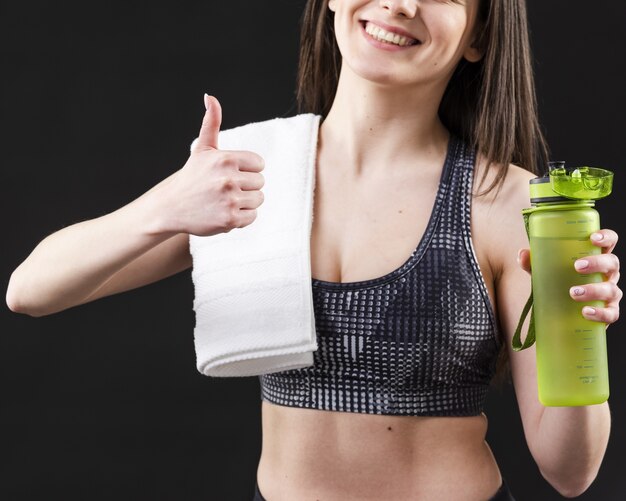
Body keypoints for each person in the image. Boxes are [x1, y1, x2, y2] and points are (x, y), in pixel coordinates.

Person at [6, 0, 622, 499]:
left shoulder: (510, 203)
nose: (401, 5)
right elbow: (30, 290)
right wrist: (163, 208)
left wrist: (577, 324)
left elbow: (570, 472)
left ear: (478, 36)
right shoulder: (247, 175)